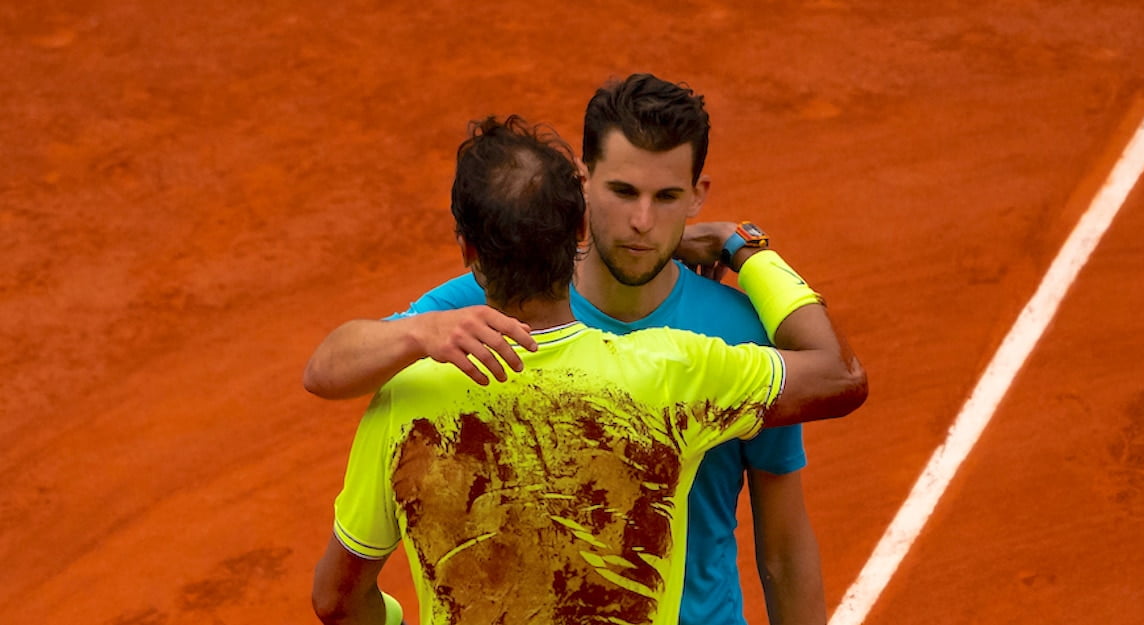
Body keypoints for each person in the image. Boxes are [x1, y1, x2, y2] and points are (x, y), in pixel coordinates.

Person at [306, 74, 835, 625]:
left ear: (698, 196)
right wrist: (417, 332)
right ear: (584, 186)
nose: (642, 223)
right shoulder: (480, 314)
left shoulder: (736, 330)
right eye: (624, 192)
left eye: (667, 198)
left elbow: (784, 550)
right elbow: (327, 369)